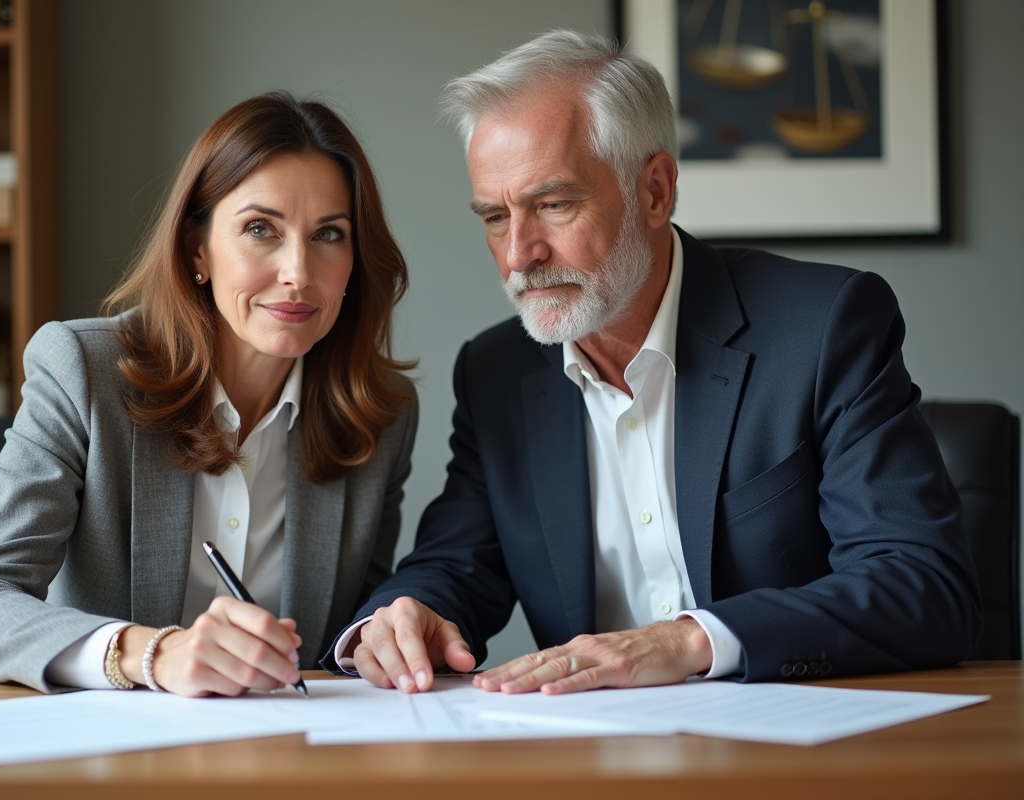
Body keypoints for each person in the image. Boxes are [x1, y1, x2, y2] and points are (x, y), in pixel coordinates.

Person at [326, 30, 981, 695]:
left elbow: (921, 583)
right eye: (495, 216)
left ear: (655, 192)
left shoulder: (825, 327)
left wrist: (690, 641)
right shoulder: (496, 373)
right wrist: (405, 617)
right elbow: (454, 565)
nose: (519, 254)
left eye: (553, 205)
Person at [0, 91, 417, 697]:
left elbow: (345, 642)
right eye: (260, 229)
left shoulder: (380, 414)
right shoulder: (84, 370)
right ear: (197, 250)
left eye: (329, 234)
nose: (298, 271)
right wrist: (154, 654)